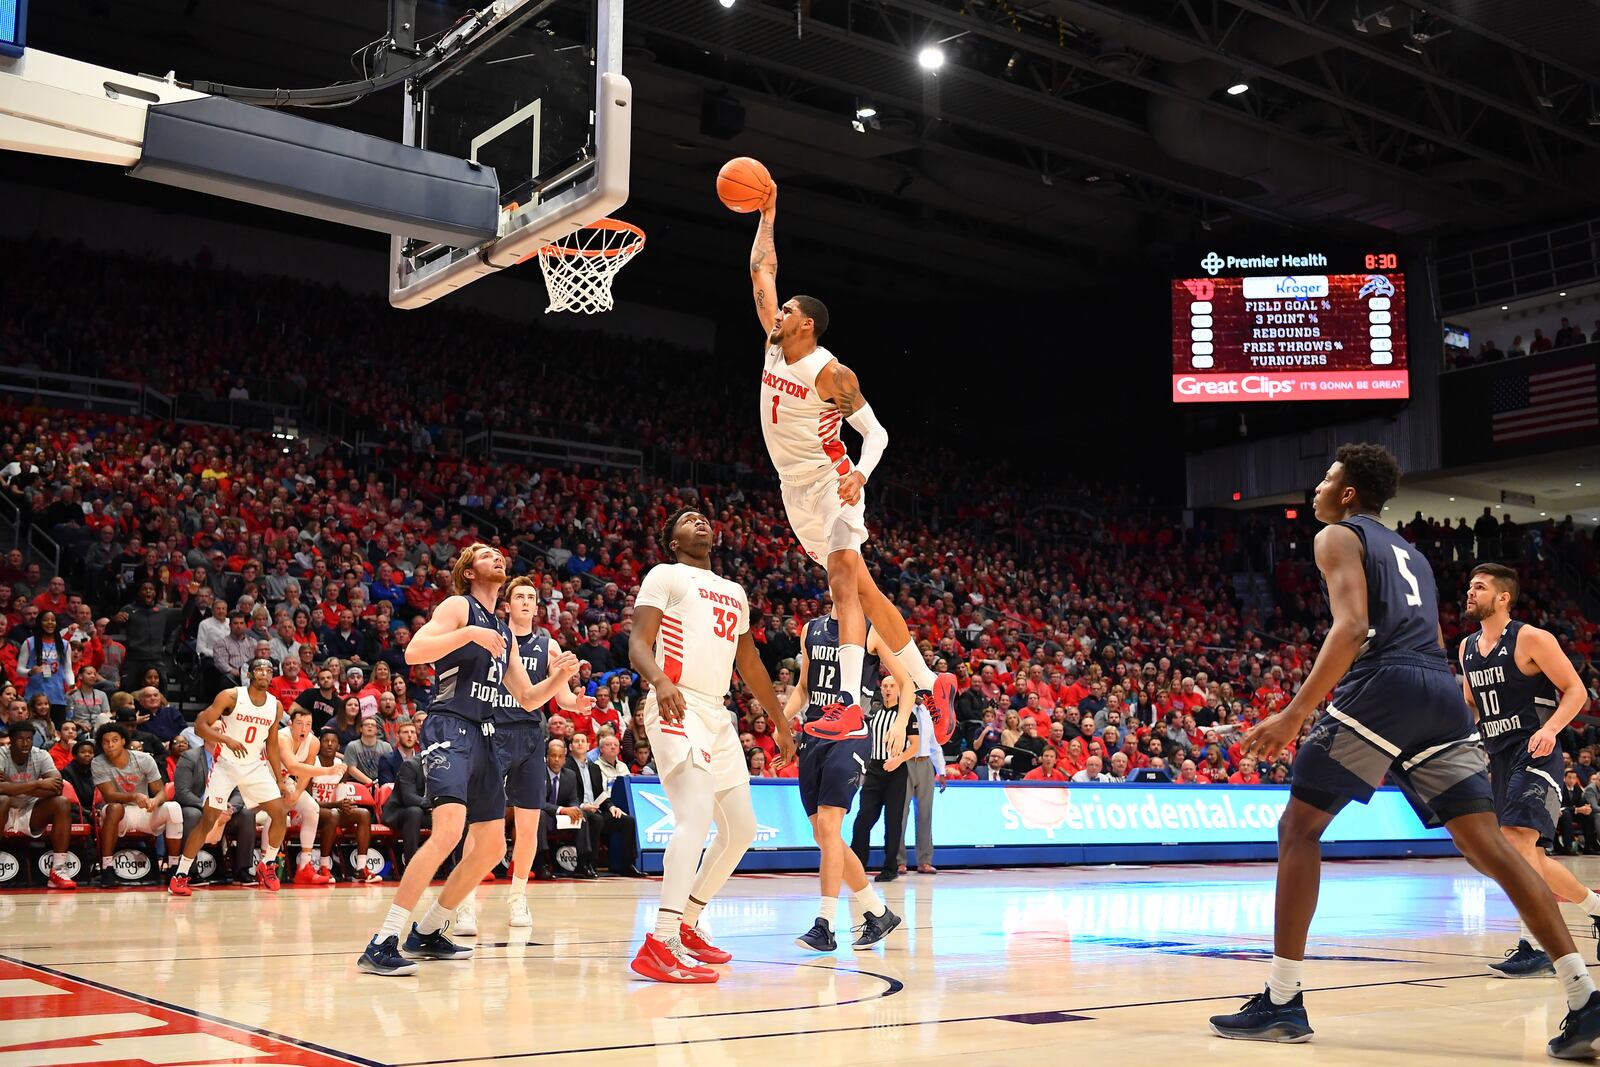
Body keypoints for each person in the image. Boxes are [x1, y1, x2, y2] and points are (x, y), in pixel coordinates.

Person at [1210, 443, 1600, 1056]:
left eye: (1324, 479)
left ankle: (1283, 999)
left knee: (1299, 829)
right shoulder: (1411, 551)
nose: (1314, 488)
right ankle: (1583, 998)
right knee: (1491, 848)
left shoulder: (1337, 535)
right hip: (1441, 690)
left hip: (1385, 684)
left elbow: (1351, 627)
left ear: (1346, 494)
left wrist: (1293, 714)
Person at [746, 189, 957, 746]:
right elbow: (760, 270)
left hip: (832, 482)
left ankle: (844, 702)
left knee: (842, 577)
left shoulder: (832, 374)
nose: (779, 310)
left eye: (789, 310)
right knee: (863, 593)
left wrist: (861, 472)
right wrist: (768, 215)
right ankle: (933, 682)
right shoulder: (774, 344)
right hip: (793, 491)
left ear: (808, 326)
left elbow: (877, 433)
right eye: (781, 308)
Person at [358, 544, 575, 976]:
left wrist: (560, 677)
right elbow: (414, 652)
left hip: (486, 734)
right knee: (449, 832)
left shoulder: (505, 629)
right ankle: (383, 940)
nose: (498, 559)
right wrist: (469, 635)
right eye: (486, 555)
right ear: (469, 571)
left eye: (500, 556)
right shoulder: (460, 607)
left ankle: (431, 928)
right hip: (449, 726)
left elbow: (528, 697)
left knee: (493, 846)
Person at [627, 508, 795, 983]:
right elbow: (638, 642)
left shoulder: (735, 592)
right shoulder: (666, 575)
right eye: (687, 520)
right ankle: (659, 941)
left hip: (718, 713)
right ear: (673, 541)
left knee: (741, 828)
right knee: (695, 817)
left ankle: (687, 921)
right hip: (677, 702)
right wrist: (658, 680)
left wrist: (780, 721)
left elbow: (751, 661)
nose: (700, 522)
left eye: (704, 518)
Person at [1458, 563, 1599, 978]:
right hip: (1500, 756)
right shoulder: (1467, 648)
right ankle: (1596, 908)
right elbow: (1471, 701)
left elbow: (1576, 691)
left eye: (1479, 587)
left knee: (1514, 841)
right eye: (1469, 586)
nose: (1470, 592)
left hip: (1536, 748)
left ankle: (1535, 944)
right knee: (1531, 856)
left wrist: (1553, 730)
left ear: (1503, 597)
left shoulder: (1532, 638)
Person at [453, 575, 586, 936]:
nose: (527, 602)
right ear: (507, 605)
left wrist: (579, 704)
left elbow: (563, 697)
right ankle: (465, 903)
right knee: (482, 825)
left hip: (529, 737)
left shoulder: (549, 646)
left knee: (528, 827)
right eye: (520, 597)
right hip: (493, 732)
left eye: (532, 597)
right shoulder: (493, 637)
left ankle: (518, 895)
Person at [787, 604, 908, 944]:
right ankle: (878, 913)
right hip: (814, 734)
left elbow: (906, 682)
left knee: (828, 828)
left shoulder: (869, 629)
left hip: (851, 736)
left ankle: (825, 924)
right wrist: (783, 722)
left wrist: (899, 723)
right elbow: (803, 688)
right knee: (824, 835)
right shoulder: (810, 629)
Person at [168, 658, 289, 896]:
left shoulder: (275, 706)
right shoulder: (231, 696)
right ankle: (180, 874)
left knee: (280, 813)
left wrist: (280, 778)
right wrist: (226, 740)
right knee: (208, 820)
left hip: (255, 766)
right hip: (226, 766)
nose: (265, 673)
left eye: (269, 670)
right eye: (260, 669)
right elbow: (200, 726)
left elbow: (272, 744)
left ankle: (268, 863)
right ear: (250, 673)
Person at [91, 722, 183, 886]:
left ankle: (174, 868)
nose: (110, 745)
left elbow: (161, 791)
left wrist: (155, 800)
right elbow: (109, 795)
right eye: (105, 741)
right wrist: (134, 796)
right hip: (118, 816)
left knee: (173, 807)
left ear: (123, 741)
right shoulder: (98, 762)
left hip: (144, 812)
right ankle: (107, 868)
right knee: (114, 807)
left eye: (114, 740)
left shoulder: (144, 759)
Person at [848, 671, 919, 883]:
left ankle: (890, 868)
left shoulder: (907, 715)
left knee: (893, 821)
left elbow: (915, 746)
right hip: (874, 771)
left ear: (899, 690)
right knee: (863, 820)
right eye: (885, 686)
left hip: (896, 771)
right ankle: (857, 866)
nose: (888, 689)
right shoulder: (873, 713)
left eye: (892, 686)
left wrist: (898, 759)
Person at [172, 732, 258, 886]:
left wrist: (230, 807)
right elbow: (182, 791)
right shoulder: (189, 757)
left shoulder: (231, 759)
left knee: (246, 814)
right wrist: (211, 808)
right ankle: (189, 872)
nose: (221, 734)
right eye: (216, 730)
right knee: (192, 814)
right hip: (198, 807)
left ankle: (242, 870)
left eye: (223, 731)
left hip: (224, 811)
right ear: (206, 734)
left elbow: (239, 791)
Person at [0, 720, 78, 888]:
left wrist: (12, 786)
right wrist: (37, 784)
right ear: (11, 740)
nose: (25, 743)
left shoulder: (41, 755)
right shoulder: (1, 754)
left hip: (30, 811)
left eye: (29, 739)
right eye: (21, 739)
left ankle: (58, 869)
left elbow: (57, 788)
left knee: (61, 803)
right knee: (3, 799)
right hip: (4, 811)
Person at [276, 706, 333, 885]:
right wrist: (326, 770)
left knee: (312, 808)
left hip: (286, 780)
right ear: (290, 724)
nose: (304, 728)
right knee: (276, 815)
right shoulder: (281, 737)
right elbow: (293, 766)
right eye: (300, 723)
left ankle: (304, 867)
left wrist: (298, 793)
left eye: (308, 724)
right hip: (265, 777)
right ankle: (268, 865)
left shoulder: (313, 742)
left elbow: (305, 773)